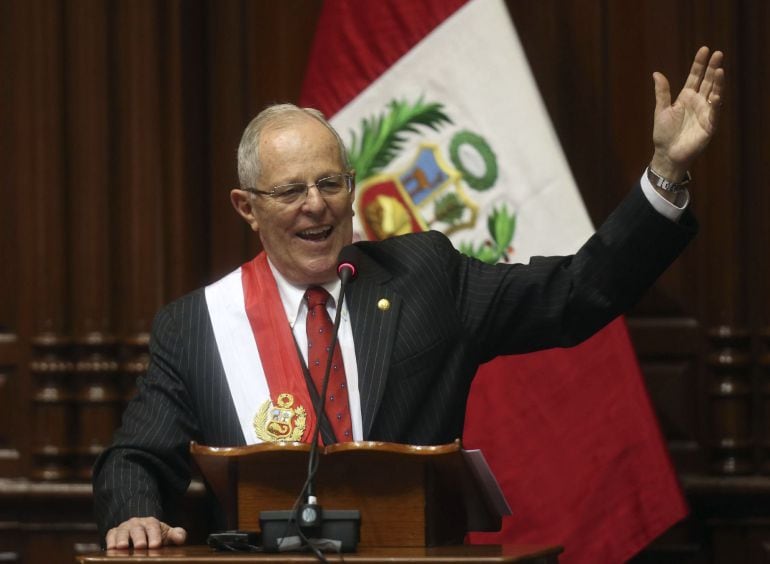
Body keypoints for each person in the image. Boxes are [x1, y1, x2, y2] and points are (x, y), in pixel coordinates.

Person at [93, 47, 725, 549]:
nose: (316, 205)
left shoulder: (426, 277)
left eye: (331, 183)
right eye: (290, 191)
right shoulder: (197, 325)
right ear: (247, 208)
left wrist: (665, 174)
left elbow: (576, 292)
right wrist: (135, 516)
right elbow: (134, 458)